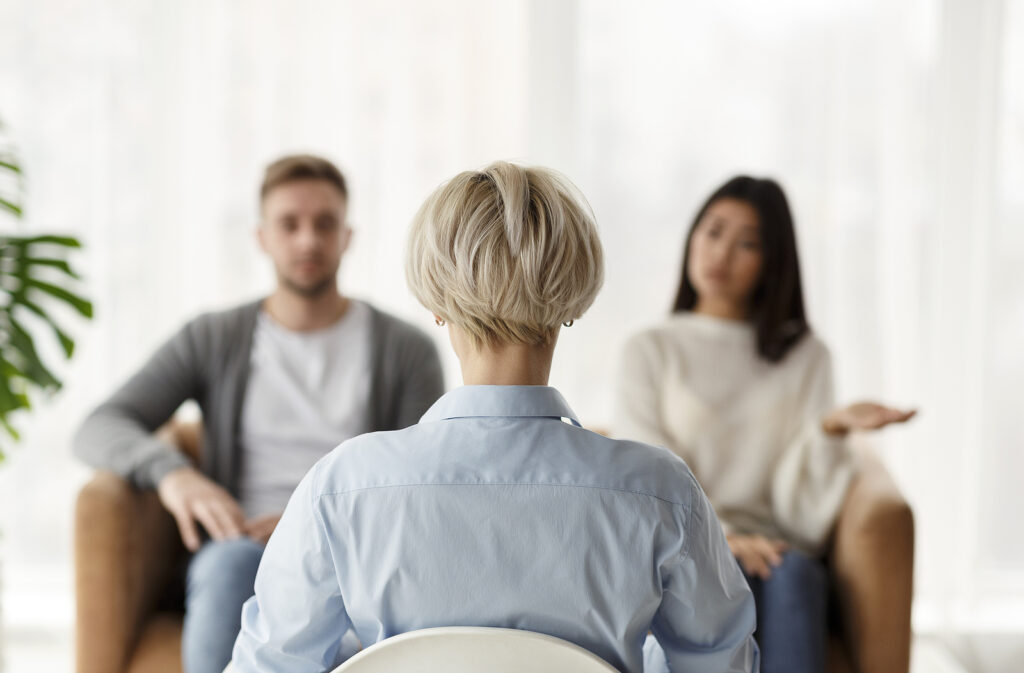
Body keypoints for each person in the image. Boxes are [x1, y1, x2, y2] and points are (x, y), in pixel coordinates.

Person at [230, 161, 760, 673]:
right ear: (572, 302)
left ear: (436, 302)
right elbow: (723, 665)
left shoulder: (343, 486)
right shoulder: (659, 492)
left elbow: (269, 666)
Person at [73, 154, 445, 673]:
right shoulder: (213, 337)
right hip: (242, 551)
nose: (307, 240)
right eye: (289, 224)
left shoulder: (405, 349)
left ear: (348, 235)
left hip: (354, 558)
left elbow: (424, 483)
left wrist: (314, 527)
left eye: (325, 223)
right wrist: (174, 474)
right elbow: (100, 425)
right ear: (262, 237)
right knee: (227, 567)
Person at [614, 175, 916, 673]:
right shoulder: (650, 348)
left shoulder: (807, 357)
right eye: (713, 231)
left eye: (747, 242)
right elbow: (647, 463)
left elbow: (801, 517)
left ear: (773, 260)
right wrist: (721, 536)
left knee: (795, 574)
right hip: (686, 543)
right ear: (692, 235)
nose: (721, 253)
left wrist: (829, 430)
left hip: (778, 550)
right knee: (722, 573)